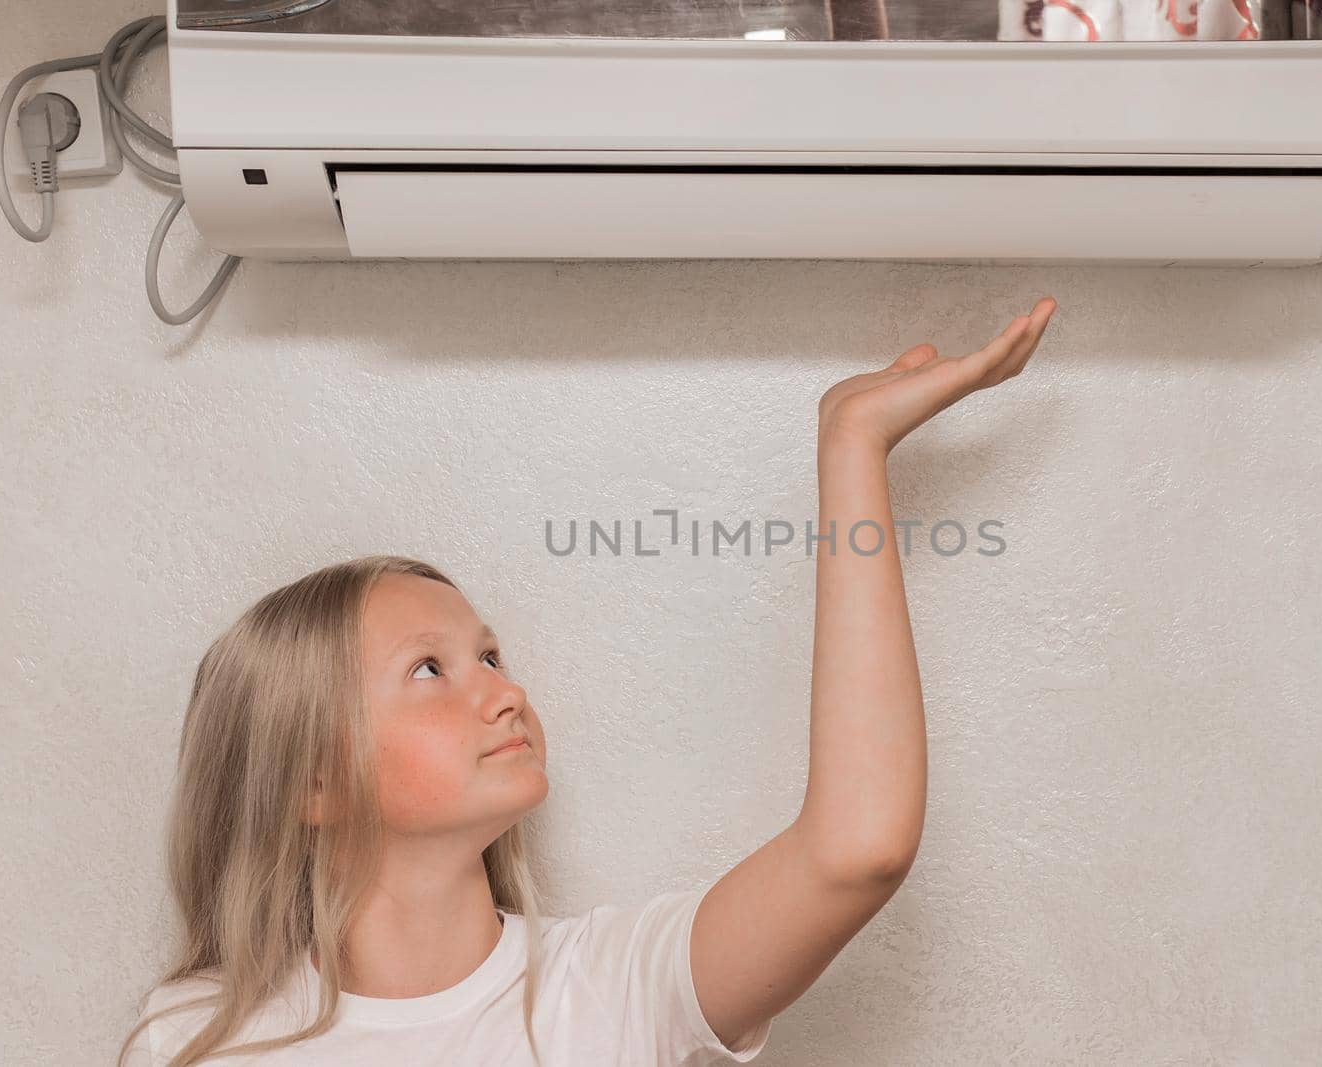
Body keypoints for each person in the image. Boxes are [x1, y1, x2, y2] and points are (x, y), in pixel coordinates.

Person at [118, 297, 1059, 1066]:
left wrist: (851, 447)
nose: (501, 690)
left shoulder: (614, 988)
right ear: (312, 781)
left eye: (491, 655)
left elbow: (857, 847)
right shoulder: (203, 1038)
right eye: (430, 668)